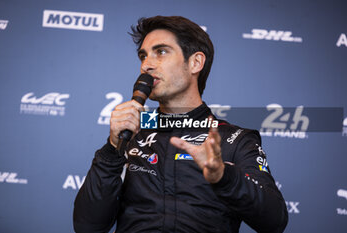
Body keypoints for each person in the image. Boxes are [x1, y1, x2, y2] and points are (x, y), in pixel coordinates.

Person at [73, 16, 288, 233]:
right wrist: (112, 149)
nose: (146, 65)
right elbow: (87, 226)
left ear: (195, 62)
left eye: (161, 51)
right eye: (143, 56)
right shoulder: (131, 136)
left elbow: (274, 221)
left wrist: (224, 177)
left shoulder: (234, 139)